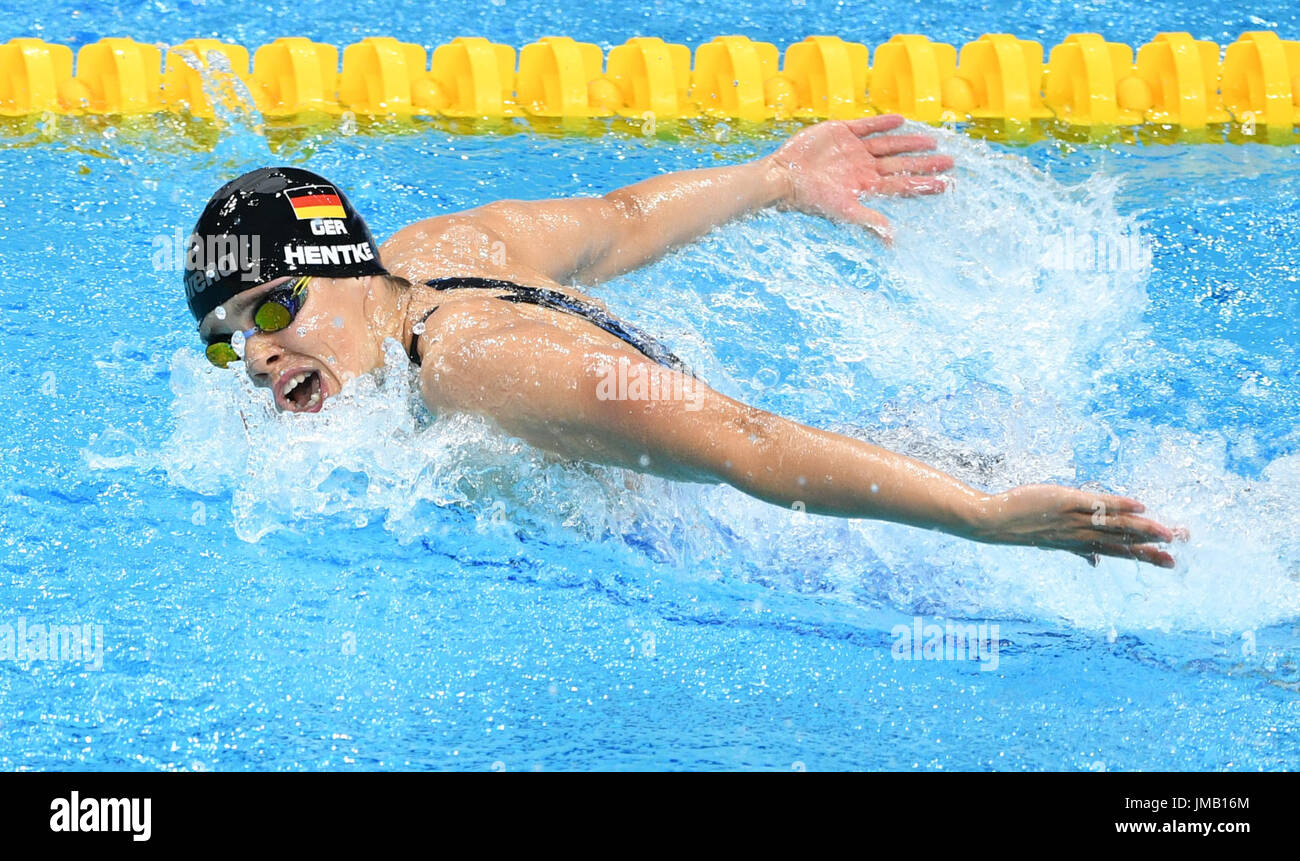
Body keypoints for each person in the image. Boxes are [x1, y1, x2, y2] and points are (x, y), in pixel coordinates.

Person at [184, 114, 1184, 568]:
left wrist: (977, 519)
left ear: (350, 269)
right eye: (229, 341)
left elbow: (739, 444)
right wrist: (777, 177)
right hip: (826, 469)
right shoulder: (438, 250)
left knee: (1110, 528)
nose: (260, 355)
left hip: (810, 534)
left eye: (273, 308)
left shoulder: (475, 367)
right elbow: (619, 217)